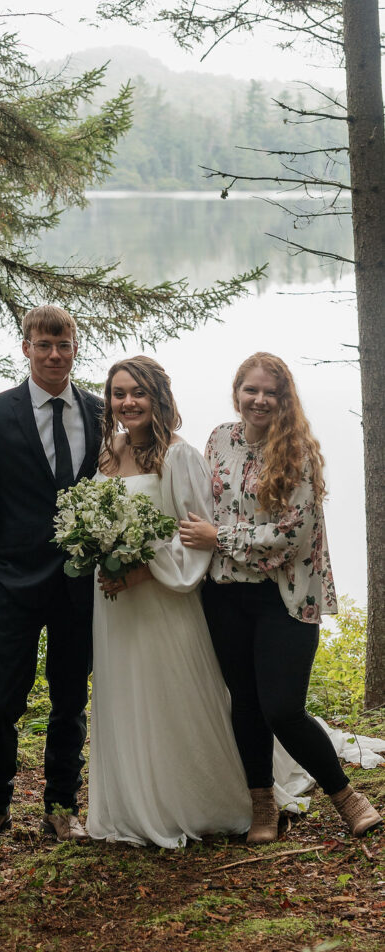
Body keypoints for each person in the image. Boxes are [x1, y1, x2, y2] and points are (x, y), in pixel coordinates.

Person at [87, 355, 304, 847]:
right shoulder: (107, 453)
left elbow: (196, 538)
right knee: (126, 693)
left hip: (164, 597)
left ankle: (199, 799)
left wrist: (143, 570)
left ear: (158, 397)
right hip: (117, 605)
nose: (128, 403)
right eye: (119, 393)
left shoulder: (180, 456)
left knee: (171, 697)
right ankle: (131, 802)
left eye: (138, 393)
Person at [180, 352, 382, 842]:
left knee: (283, 707)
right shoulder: (219, 439)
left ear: (285, 399)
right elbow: (202, 506)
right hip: (224, 596)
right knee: (244, 703)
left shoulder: (298, 454)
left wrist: (221, 539)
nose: (260, 399)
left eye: (271, 392)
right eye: (251, 389)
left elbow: (292, 536)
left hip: (285, 599)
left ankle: (346, 797)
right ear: (237, 391)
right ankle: (262, 805)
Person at [0, 306, 103, 850]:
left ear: (74, 347)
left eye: (64, 344)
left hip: (79, 586)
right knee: (0, 702)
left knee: (70, 701)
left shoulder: (97, 409)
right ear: (26, 348)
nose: (54, 355)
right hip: (13, 583)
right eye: (44, 344)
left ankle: (61, 806)